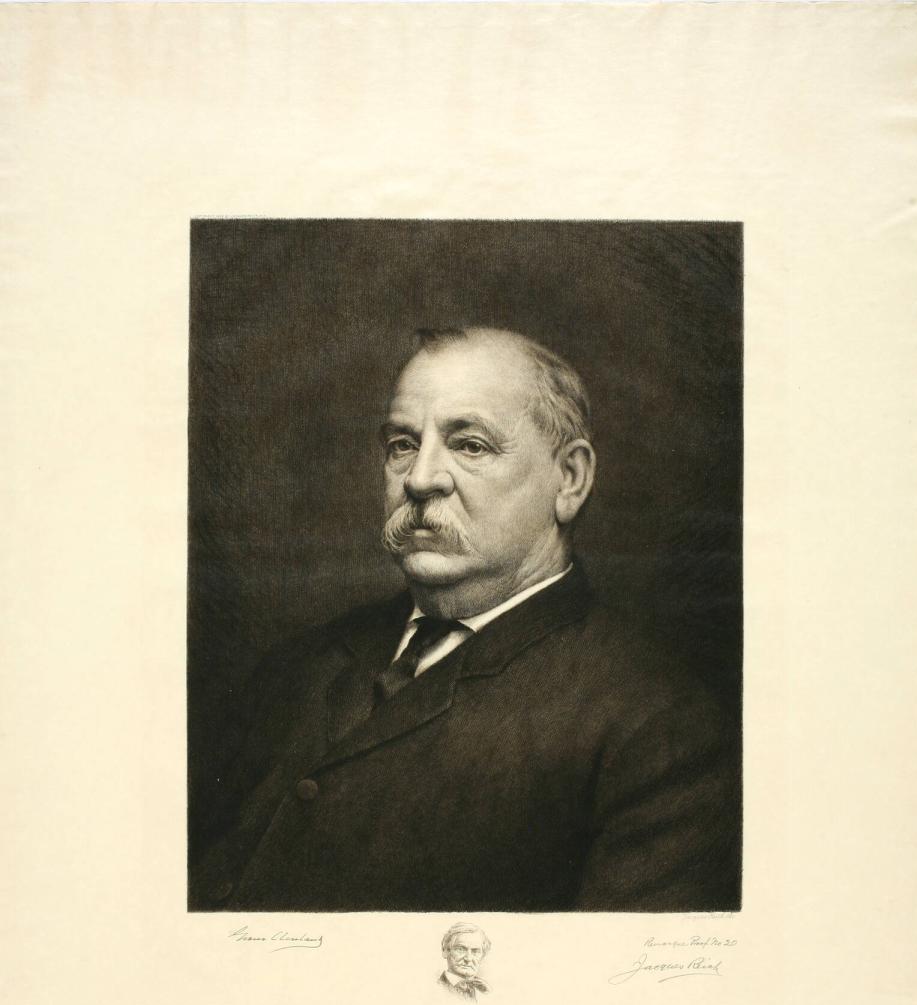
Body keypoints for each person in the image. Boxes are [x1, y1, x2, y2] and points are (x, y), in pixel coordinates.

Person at [190, 326, 741, 913]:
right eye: (403, 444)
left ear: (570, 479)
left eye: (471, 445)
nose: (419, 478)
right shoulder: (296, 668)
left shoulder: (656, 728)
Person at [438, 923, 491, 1002]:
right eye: (461, 949)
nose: (468, 958)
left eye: (475, 951)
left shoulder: (485, 992)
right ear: (445, 951)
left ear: (482, 956)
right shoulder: (435, 989)